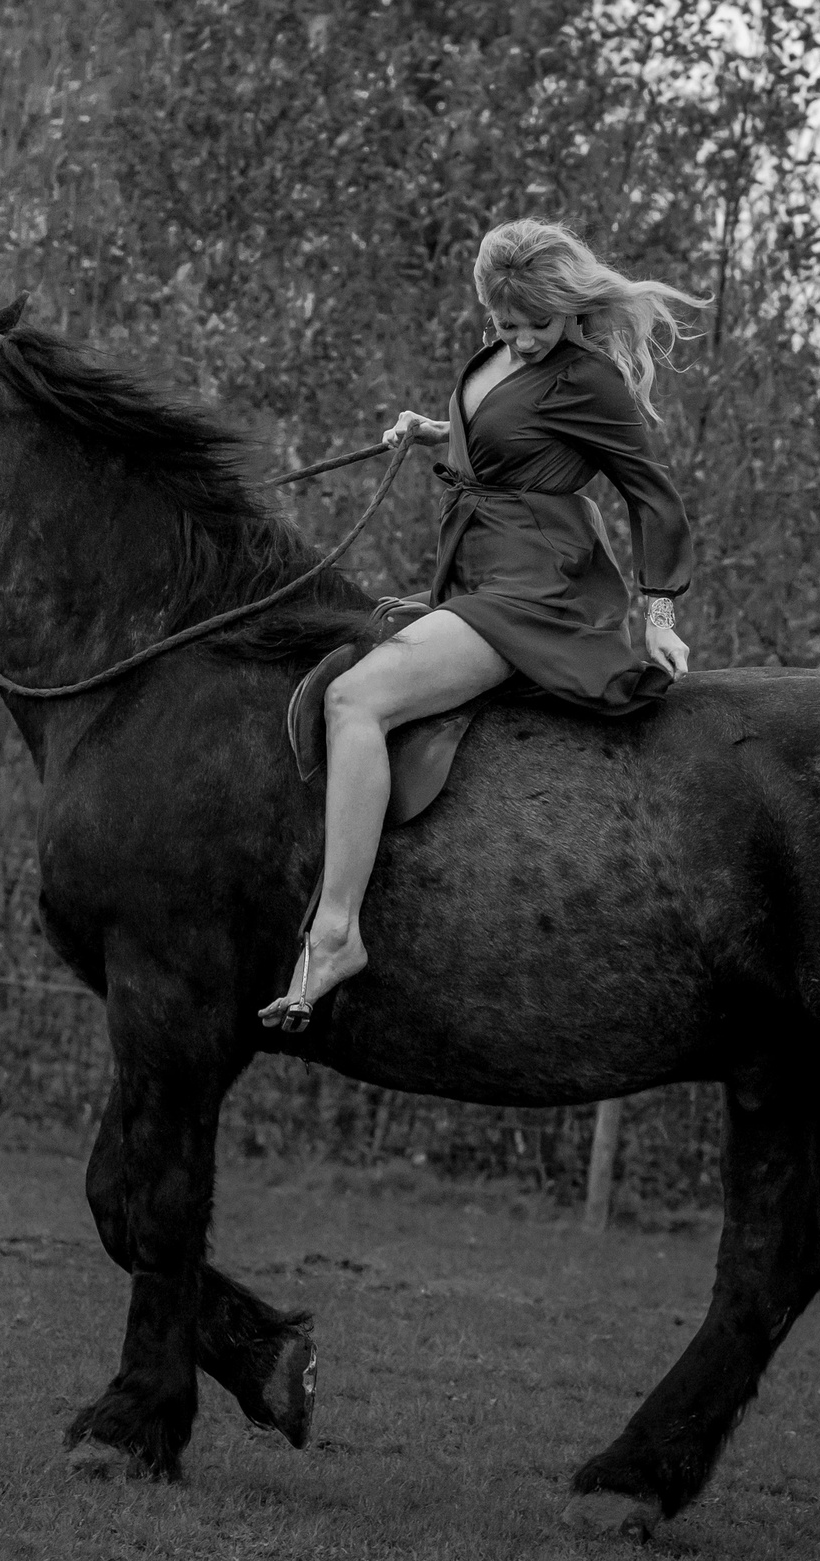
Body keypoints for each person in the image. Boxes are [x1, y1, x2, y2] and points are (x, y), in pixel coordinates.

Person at [259, 219, 705, 1032]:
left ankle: (335, 933)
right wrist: (435, 432)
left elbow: (654, 495)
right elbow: (508, 440)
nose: (525, 341)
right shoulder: (498, 359)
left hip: (535, 589)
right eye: (507, 327)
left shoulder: (588, 379)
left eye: (540, 324)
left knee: (356, 702)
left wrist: (661, 611)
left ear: (571, 309)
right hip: (476, 574)